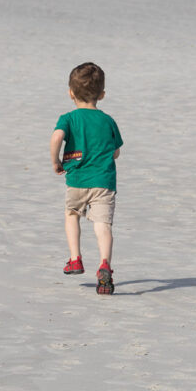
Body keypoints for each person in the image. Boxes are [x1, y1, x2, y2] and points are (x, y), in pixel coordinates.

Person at [49, 62, 123, 295]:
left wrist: (56, 161)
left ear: (70, 92)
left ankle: (75, 258)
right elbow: (116, 151)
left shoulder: (69, 118)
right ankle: (105, 266)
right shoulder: (108, 120)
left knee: (72, 215)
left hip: (78, 180)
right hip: (104, 182)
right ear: (101, 95)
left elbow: (56, 137)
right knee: (103, 226)